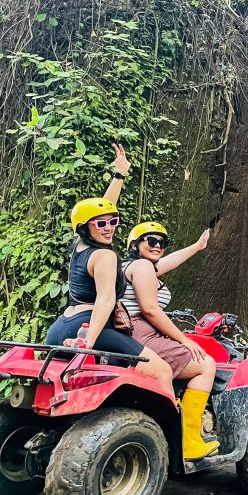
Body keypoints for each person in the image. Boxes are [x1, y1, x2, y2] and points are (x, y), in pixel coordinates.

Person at [45, 145, 173, 392]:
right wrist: (89, 341)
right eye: (102, 224)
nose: (109, 227)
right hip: (89, 326)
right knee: (162, 371)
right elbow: (105, 298)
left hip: (61, 328)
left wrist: (119, 175)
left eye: (113, 222)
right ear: (86, 227)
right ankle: (168, 430)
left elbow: (100, 209)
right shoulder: (105, 255)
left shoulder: (80, 247)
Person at [121, 221, 220, 461]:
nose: (158, 246)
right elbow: (151, 310)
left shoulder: (131, 266)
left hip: (131, 331)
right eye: (151, 241)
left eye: (162, 242)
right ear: (135, 244)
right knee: (206, 364)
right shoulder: (143, 266)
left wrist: (197, 246)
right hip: (142, 330)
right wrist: (183, 339)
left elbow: (168, 262)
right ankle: (189, 441)